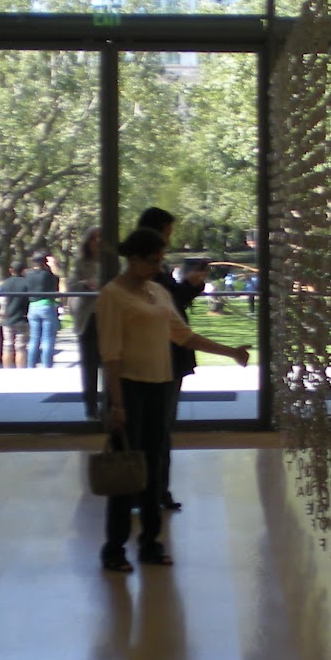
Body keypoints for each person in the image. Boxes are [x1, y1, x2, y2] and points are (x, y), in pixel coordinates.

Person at [96, 226, 249, 573]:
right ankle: (114, 549)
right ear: (133, 259)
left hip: (160, 385)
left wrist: (231, 352)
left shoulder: (157, 292)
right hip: (129, 389)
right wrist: (117, 404)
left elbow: (183, 335)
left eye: (160, 260)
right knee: (127, 472)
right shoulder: (113, 295)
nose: (158, 266)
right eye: (152, 260)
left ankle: (151, 543)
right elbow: (111, 354)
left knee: (154, 468)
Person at [137, 206, 207, 512]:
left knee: (159, 428)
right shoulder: (147, 275)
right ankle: (152, 489)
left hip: (166, 356)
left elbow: (172, 306)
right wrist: (188, 287)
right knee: (158, 429)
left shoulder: (153, 272)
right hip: (162, 356)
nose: (168, 240)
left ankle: (154, 488)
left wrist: (190, 286)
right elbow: (170, 311)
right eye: (167, 233)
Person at [70, 227, 104, 419]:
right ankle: (91, 407)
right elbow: (72, 285)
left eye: (101, 239)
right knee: (89, 364)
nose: (97, 243)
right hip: (88, 318)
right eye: (94, 239)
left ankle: (113, 405)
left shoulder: (115, 263)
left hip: (110, 316)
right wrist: (86, 283)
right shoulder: (81, 263)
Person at [24, 251, 62, 368]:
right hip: (47, 304)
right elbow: (59, 278)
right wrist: (54, 265)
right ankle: (46, 365)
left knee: (34, 338)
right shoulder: (47, 274)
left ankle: (31, 365)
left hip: (33, 306)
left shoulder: (28, 275)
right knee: (47, 338)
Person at [0, 262, 30, 369]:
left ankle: (7, 370)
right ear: (24, 270)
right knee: (21, 347)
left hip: (8, 318)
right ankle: (20, 370)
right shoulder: (26, 283)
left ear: (11, 270)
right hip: (22, 318)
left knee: (7, 346)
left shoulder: (6, 283)